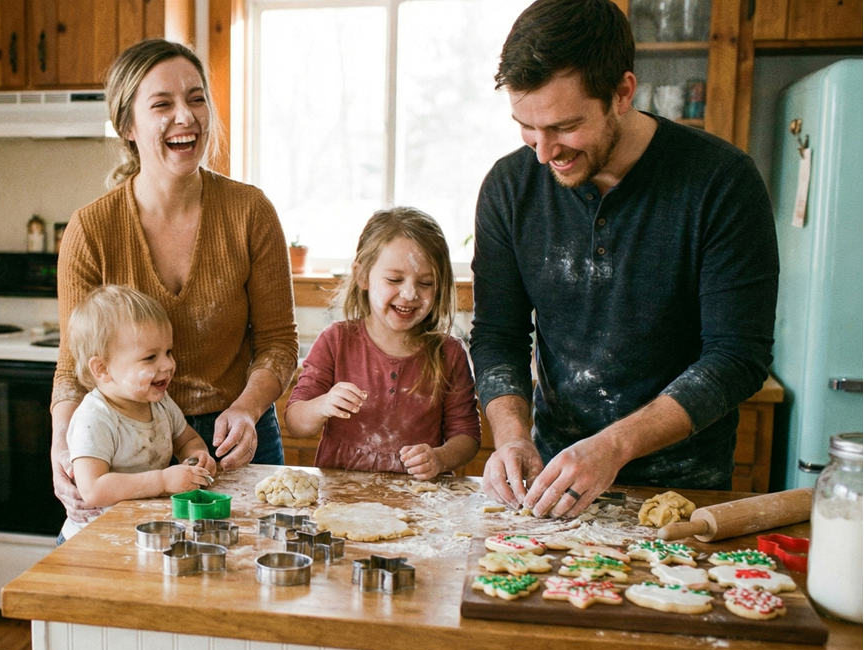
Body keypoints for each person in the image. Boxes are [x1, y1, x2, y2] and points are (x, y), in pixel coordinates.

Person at [470, 0, 779, 518]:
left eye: (565, 127)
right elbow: (498, 335)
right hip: (553, 486)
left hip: (684, 493)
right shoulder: (509, 188)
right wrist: (512, 437)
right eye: (527, 127)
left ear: (622, 93)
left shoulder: (721, 183)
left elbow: (737, 357)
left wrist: (612, 447)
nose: (544, 153)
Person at [52, 39, 298, 525]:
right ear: (128, 126)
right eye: (162, 104)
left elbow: (278, 343)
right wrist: (64, 446)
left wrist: (247, 410)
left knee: (249, 579)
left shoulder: (251, 212)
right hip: (125, 447)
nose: (185, 115)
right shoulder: (91, 230)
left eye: (197, 97)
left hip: (234, 444)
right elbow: (72, 366)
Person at [286, 207, 481, 479]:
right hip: (343, 500)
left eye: (426, 282)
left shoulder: (449, 354)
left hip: (419, 504)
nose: (410, 293)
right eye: (394, 279)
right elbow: (296, 422)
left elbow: (467, 436)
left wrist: (439, 458)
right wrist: (322, 405)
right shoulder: (336, 342)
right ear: (363, 275)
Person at [58, 285, 215, 542]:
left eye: (168, 352)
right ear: (102, 368)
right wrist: (163, 482)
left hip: (139, 532)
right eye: (150, 357)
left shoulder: (160, 403)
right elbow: (93, 489)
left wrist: (197, 457)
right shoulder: (94, 418)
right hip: (93, 542)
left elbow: (186, 439)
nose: (167, 365)